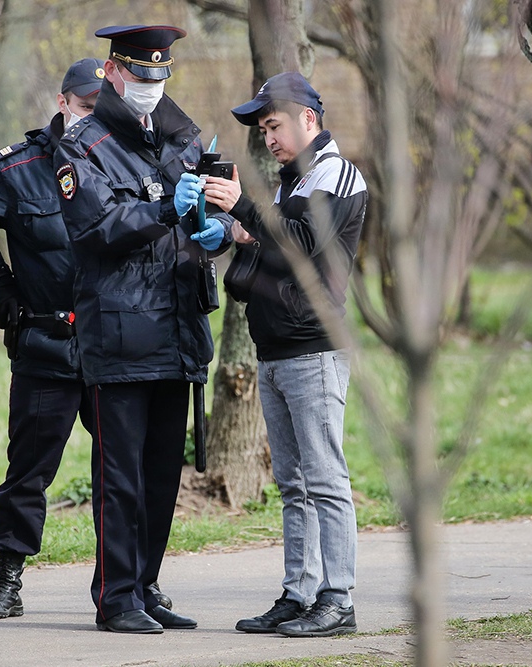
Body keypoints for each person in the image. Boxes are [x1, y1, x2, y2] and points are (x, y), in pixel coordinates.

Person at [0, 58, 175, 620]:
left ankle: (133, 584)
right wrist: (0, 281)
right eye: (89, 107)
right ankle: (8, 578)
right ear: (64, 103)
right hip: (50, 339)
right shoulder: (20, 168)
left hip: (117, 342)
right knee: (29, 466)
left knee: (127, 470)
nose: (97, 117)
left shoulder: (129, 158)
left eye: (105, 107)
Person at [54, 24, 232, 634]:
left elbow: (196, 218)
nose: (151, 87)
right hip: (119, 332)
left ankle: (147, 584)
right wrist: (165, 210)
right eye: (140, 75)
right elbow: (95, 226)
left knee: (161, 476)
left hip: (177, 330)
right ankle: (117, 596)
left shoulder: (183, 138)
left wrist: (216, 234)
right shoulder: (83, 144)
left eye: (161, 76)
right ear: (113, 72)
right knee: (119, 478)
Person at [203, 71, 367, 637]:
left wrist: (244, 212)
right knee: (294, 485)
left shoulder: (336, 175)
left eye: (274, 125)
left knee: (325, 480)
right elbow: (270, 246)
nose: (268, 138)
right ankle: (299, 594)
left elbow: (300, 240)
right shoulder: (288, 184)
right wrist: (232, 234)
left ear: (308, 119)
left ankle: (337, 599)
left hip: (314, 351)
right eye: (263, 129)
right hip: (275, 350)